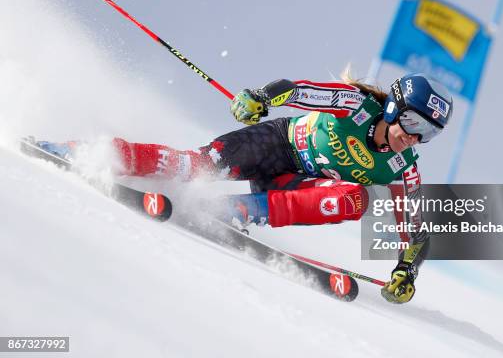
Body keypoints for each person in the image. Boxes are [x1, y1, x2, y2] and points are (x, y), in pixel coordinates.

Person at [34, 72, 453, 304]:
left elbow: (414, 230)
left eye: (427, 135)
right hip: (274, 144)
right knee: (191, 166)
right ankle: (88, 152)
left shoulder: (402, 166)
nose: (415, 139)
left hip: (294, 183)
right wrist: (259, 98)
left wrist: (406, 269)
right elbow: (298, 90)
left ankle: (234, 213)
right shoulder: (355, 106)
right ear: (395, 107)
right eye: (414, 124)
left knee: (353, 199)